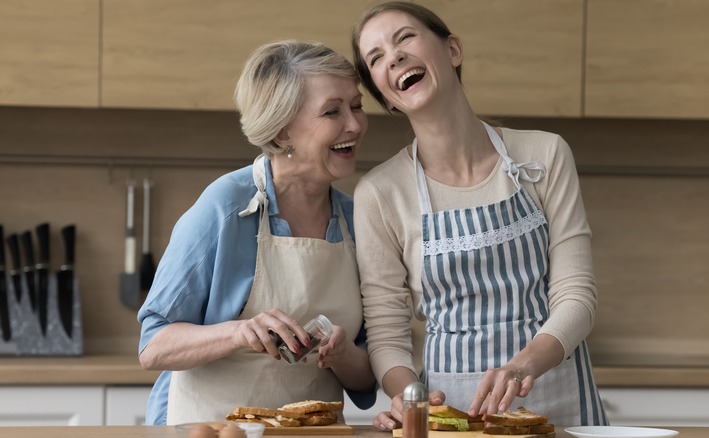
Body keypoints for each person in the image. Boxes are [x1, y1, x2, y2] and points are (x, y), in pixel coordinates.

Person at [350, 1, 608, 429]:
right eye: (375, 58)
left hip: (558, 405)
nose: (392, 56)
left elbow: (577, 295)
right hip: (450, 414)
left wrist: (523, 366)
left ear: (452, 50)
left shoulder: (544, 155)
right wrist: (410, 399)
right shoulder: (379, 193)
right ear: (385, 96)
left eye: (405, 38)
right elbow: (387, 334)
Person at [137, 40, 376, 425]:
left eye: (357, 105)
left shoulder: (358, 219)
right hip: (210, 430)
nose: (355, 124)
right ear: (283, 133)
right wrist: (237, 332)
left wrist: (344, 353)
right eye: (332, 111)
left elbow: (367, 380)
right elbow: (153, 347)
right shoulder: (226, 207)